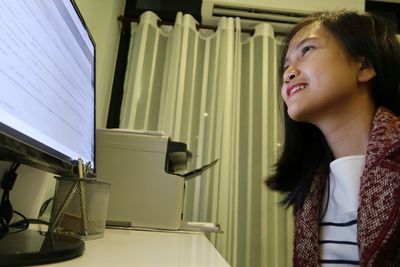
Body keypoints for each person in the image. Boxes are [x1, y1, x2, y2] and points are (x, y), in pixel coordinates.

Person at [265, 10, 400, 266]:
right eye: (285, 67)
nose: (288, 73)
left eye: (306, 51)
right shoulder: (313, 188)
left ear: (364, 66)